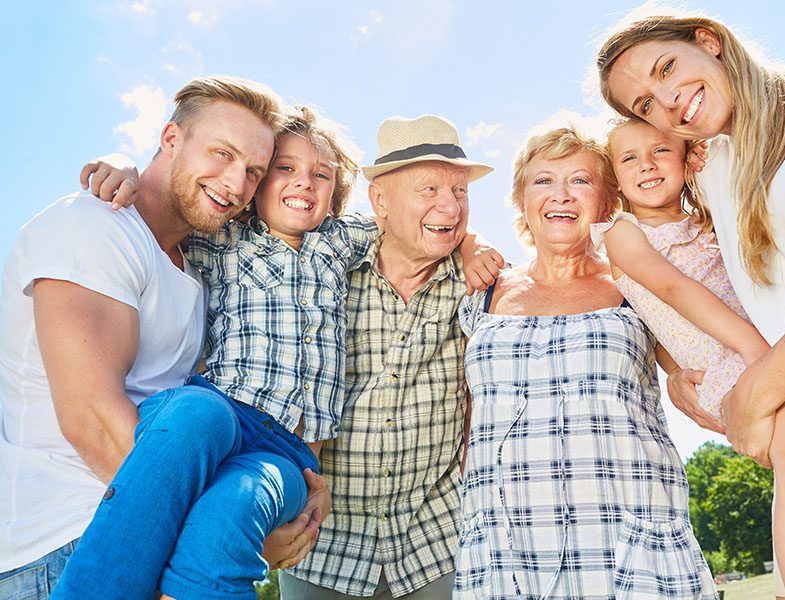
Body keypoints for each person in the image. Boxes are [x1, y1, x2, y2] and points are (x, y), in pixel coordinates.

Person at [597, 10, 785, 599]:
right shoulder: (711, 168)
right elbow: (668, 284)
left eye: (667, 68)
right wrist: (673, 369)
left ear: (707, 41)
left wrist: (756, 389)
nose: (666, 102)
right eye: (643, 107)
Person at [52, 107, 379, 600]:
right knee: (195, 411)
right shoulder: (223, 239)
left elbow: (408, 226)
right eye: (285, 169)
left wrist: (471, 248)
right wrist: (124, 168)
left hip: (285, 455)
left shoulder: (340, 240)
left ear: (335, 196)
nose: (304, 183)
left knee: (224, 525)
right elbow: (165, 203)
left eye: (322, 175)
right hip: (222, 414)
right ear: (257, 186)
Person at [0, 75, 287, 599]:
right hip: (64, 547)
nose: (235, 182)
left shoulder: (195, 270)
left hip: (143, 534)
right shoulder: (93, 225)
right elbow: (93, 422)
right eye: (221, 153)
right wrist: (211, 539)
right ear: (171, 140)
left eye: (253, 172)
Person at [454, 125, 716, 599]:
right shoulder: (481, 294)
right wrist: (467, 241)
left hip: (628, 541)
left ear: (607, 202)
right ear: (521, 199)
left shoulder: (633, 282)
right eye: (543, 181)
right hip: (508, 550)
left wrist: (681, 379)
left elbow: (684, 360)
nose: (561, 196)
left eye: (580, 180)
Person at [592, 117, 785, 598]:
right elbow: (673, 289)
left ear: (686, 158)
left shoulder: (706, 215)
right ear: (614, 178)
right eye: (629, 158)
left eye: (661, 151)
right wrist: (753, 349)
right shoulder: (622, 234)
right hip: (735, 365)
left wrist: (706, 170)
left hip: (780, 346)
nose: (647, 164)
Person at [279, 114, 499, 600]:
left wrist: (470, 244)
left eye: (460, 191)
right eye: (428, 189)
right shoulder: (324, 272)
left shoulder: (478, 284)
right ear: (379, 201)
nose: (450, 205)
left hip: (437, 541)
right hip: (323, 543)